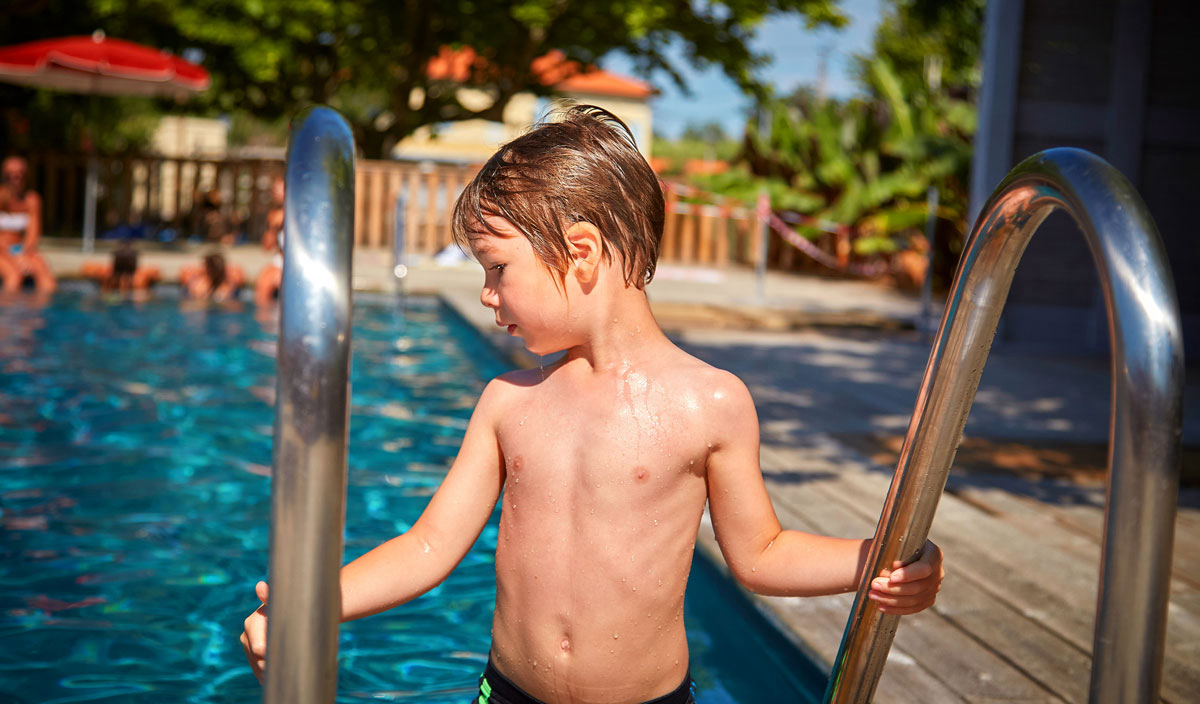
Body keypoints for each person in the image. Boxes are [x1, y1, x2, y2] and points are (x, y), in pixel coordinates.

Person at [240, 106, 943, 703]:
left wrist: (878, 563)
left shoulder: (710, 402)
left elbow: (761, 555)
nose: (487, 295)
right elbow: (427, 545)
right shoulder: (507, 403)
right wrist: (311, 605)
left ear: (579, 251)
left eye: (498, 269)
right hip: (508, 692)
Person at [0, 155, 56, 294]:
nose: (16, 178)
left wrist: (20, 254)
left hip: (20, 249)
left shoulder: (32, 200)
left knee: (44, 274)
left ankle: (36, 314)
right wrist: (15, 255)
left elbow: (33, 235)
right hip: (1, 249)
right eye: (10, 175)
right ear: (4, 176)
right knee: (14, 275)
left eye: (20, 174)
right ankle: (6, 314)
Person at [80, 240, 160, 293]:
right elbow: (157, 272)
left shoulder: (106, 274)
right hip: (135, 299)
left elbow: (85, 269)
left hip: (110, 296)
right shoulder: (141, 277)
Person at [180, 251, 245, 301]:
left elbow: (185, 270)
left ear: (208, 268)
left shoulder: (198, 284)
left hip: (202, 303)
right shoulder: (229, 283)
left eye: (204, 265)